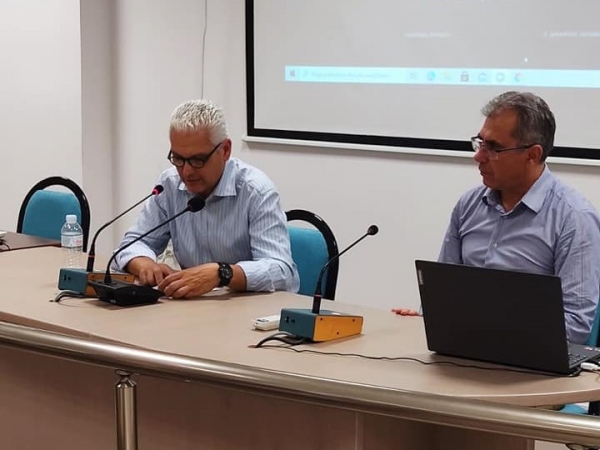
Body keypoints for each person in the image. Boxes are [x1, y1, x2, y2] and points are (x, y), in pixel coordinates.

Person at [393, 91, 600, 344]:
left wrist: (489, 332)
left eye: (494, 148)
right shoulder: (469, 204)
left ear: (532, 155)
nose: (478, 156)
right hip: (464, 349)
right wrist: (426, 318)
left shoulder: (574, 218)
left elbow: (575, 326)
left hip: (529, 360)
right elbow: (443, 292)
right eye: (480, 143)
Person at [113, 99, 299, 298]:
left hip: (247, 308)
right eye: (178, 159)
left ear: (225, 150)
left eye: (197, 160)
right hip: (191, 306)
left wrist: (222, 273)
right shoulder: (169, 185)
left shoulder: (256, 191)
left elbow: (282, 272)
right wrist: (144, 264)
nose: (186, 171)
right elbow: (132, 244)